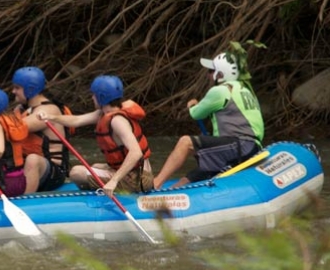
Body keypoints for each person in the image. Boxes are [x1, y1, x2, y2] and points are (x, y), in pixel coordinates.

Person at [152, 50, 264, 189]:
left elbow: (196, 114)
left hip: (240, 146)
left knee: (185, 142)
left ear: (220, 74)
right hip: (252, 147)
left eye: (211, 71)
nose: (208, 75)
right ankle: (175, 188)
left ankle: (156, 183)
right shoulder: (246, 91)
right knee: (198, 171)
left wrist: (193, 105)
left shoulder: (220, 91)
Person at [40, 75, 153, 197]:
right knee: (95, 166)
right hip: (134, 174)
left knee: (76, 173)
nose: (92, 97)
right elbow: (77, 120)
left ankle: (107, 192)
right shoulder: (103, 114)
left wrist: (113, 181)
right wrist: (51, 117)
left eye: (94, 95)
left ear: (102, 97)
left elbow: (136, 152)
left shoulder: (117, 121)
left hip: (138, 179)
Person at [11, 66, 72, 194]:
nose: (13, 91)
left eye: (17, 88)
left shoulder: (48, 110)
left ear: (30, 89)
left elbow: (17, 128)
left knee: (32, 159)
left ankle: (26, 201)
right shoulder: (20, 109)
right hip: (24, 167)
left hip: (52, 172)